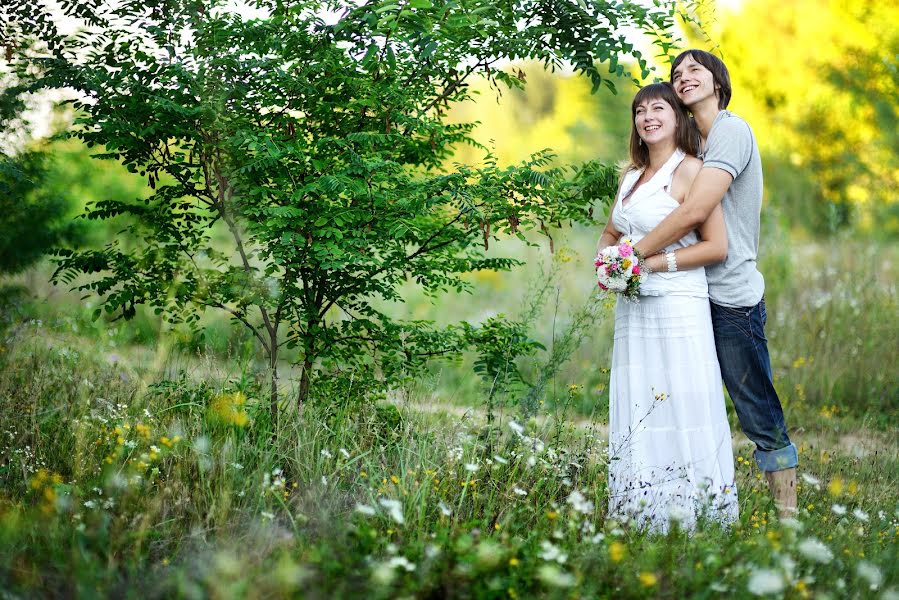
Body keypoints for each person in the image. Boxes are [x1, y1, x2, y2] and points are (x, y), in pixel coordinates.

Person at [633, 50, 798, 517]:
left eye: (694, 71)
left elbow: (693, 212)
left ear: (718, 82)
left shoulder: (730, 131)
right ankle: (680, 502)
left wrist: (633, 256)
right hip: (688, 294)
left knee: (755, 408)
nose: (683, 78)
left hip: (730, 296)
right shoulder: (692, 146)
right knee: (687, 401)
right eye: (676, 74)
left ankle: (788, 515)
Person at [597, 82, 738, 533]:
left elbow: (716, 247)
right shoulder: (628, 178)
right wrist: (607, 267)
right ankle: (641, 514)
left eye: (658, 107)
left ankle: (698, 515)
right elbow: (611, 235)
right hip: (634, 309)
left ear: (677, 117)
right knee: (640, 398)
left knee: (682, 401)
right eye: (639, 110)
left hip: (679, 304)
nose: (647, 116)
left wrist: (650, 264)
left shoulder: (693, 171)